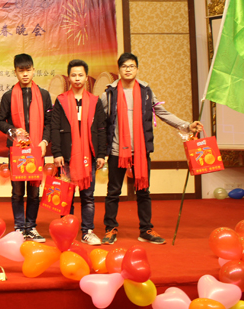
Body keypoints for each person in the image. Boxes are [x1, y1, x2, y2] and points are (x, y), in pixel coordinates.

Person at [100, 53, 203, 245]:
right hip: (116, 150)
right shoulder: (109, 93)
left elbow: (162, 112)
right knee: (113, 192)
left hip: (140, 151)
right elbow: (97, 117)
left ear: (137, 69)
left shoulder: (146, 91)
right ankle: (110, 228)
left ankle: (146, 230)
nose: (128, 69)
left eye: (131, 66)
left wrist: (187, 126)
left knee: (143, 191)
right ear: (119, 70)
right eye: (124, 66)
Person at [51, 59, 107, 245]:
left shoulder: (95, 101)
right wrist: (57, 153)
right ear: (68, 77)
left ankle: (87, 232)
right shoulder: (61, 101)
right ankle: (66, 232)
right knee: (66, 197)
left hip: (88, 156)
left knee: (88, 197)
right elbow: (54, 128)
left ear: (86, 77)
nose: (77, 78)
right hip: (66, 157)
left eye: (80, 75)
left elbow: (101, 129)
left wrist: (101, 154)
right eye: (73, 75)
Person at [0, 53, 51, 242]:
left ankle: (31, 226)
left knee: (34, 192)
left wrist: (44, 141)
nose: (25, 74)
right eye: (21, 71)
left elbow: (49, 123)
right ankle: (20, 227)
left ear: (34, 70)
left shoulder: (43, 95)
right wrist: (13, 130)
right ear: (15, 72)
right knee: (18, 191)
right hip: (17, 150)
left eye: (28, 70)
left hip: (37, 149)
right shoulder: (8, 96)